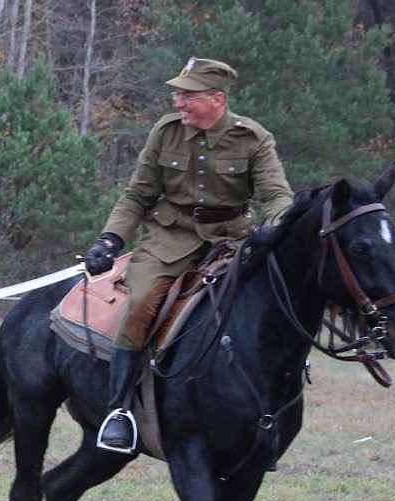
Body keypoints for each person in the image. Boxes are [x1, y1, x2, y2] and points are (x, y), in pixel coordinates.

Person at [85, 57, 293, 454]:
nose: (177, 102)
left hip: (233, 241)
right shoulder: (165, 133)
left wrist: (277, 227)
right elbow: (138, 194)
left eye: (187, 95)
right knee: (141, 305)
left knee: (274, 305)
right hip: (170, 239)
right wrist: (110, 239)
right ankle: (119, 412)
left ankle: (273, 413)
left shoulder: (253, 138)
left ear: (217, 98)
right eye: (176, 94)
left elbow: (276, 195)